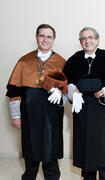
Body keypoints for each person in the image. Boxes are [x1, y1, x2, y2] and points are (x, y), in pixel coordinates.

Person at [63, 27, 105, 180]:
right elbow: (65, 83)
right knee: (85, 145)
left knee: (103, 145)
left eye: (91, 37)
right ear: (80, 42)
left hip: (101, 109)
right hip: (82, 108)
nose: (87, 41)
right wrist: (74, 90)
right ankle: (88, 177)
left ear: (97, 40)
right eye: (84, 38)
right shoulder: (74, 60)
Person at [6, 24, 67, 180]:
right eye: (42, 36)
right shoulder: (24, 62)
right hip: (29, 115)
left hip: (52, 116)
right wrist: (15, 115)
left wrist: (60, 93)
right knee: (30, 150)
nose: (45, 39)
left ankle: (52, 177)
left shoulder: (61, 62)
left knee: (51, 150)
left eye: (49, 36)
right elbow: (14, 90)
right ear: (36, 37)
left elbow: (68, 90)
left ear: (54, 39)